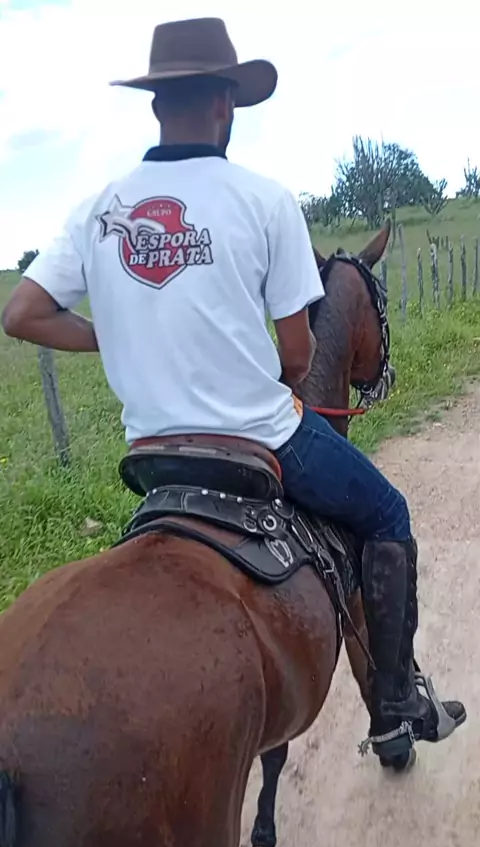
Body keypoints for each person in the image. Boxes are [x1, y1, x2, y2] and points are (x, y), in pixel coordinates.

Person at [1, 16, 465, 759]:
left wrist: (113, 335)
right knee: (388, 512)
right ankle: (395, 701)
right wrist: (277, 376)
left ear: (157, 104)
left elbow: (21, 314)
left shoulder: (100, 209)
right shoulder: (263, 199)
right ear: (225, 104)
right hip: (260, 435)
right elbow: (296, 354)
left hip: (153, 453)